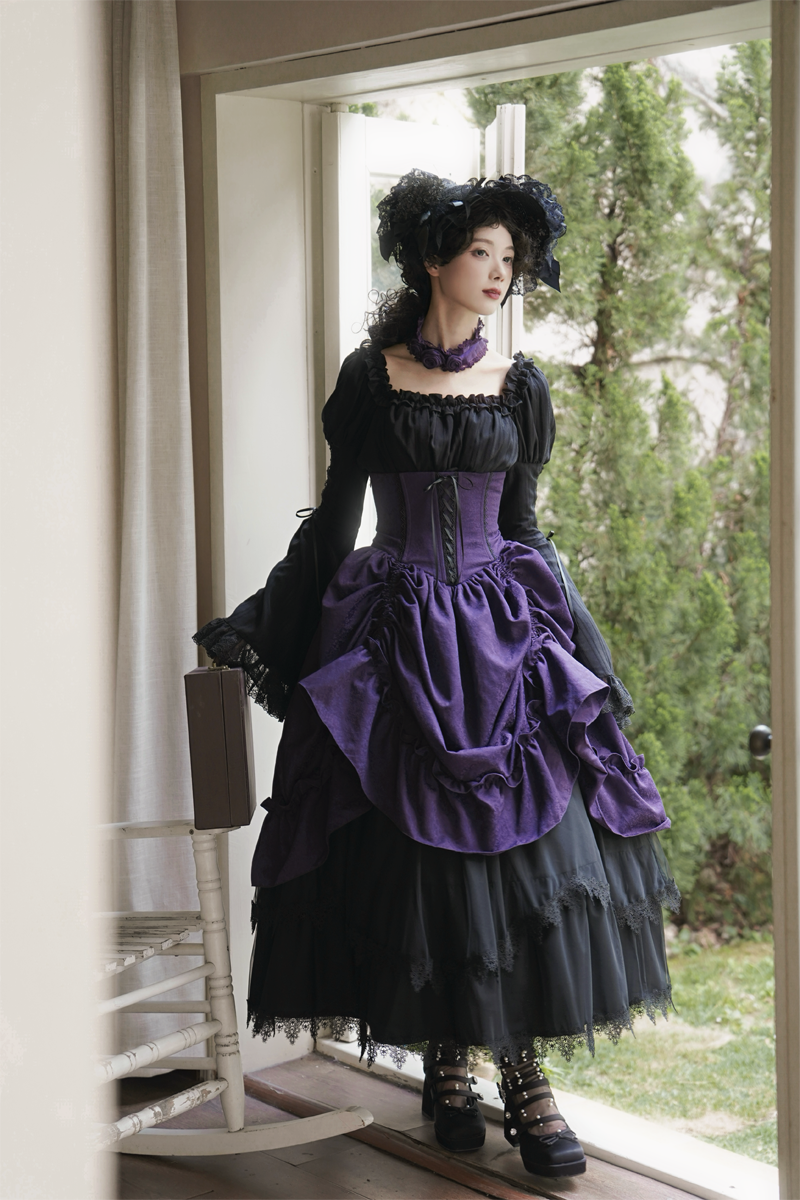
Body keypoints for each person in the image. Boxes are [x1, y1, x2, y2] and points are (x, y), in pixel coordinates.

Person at [195, 169, 680, 1180]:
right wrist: (266, 625)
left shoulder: (520, 384)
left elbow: (525, 528)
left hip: (504, 633)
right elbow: (336, 523)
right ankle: (447, 1062)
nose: (500, 274)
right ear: (431, 260)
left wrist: (575, 647)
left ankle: (525, 1078)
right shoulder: (369, 380)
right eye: (481, 255)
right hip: (397, 633)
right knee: (416, 862)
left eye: (511, 259)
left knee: (526, 857)